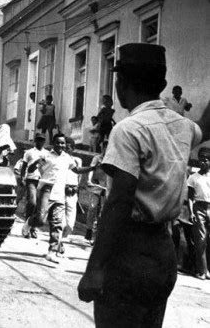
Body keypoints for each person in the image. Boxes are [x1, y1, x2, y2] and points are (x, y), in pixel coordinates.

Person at [77, 43, 204, 328]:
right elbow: (204, 127)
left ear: (123, 83)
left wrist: (95, 268)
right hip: (163, 253)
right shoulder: (183, 126)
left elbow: (119, 201)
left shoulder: (129, 129)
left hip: (129, 252)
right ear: (160, 84)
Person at [22, 133, 97, 263]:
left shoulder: (67, 158)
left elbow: (77, 170)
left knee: (57, 224)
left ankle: (51, 252)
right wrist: (35, 163)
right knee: (40, 220)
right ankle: (29, 222)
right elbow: (31, 169)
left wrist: (93, 168)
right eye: (58, 143)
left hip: (60, 194)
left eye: (63, 143)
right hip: (46, 190)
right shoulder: (46, 155)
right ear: (53, 143)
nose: (61, 145)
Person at [20, 133, 49, 239]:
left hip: (43, 180)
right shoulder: (29, 152)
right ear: (35, 141)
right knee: (32, 202)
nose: (40, 142)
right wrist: (22, 178)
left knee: (40, 206)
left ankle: (33, 228)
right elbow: (24, 166)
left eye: (42, 140)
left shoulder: (47, 153)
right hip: (31, 179)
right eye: (38, 140)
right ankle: (27, 224)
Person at [188, 147, 210, 280]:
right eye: (201, 160)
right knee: (200, 240)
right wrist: (191, 212)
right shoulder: (193, 177)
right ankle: (202, 271)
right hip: (199, 208)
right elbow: (190, 197)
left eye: (206, 160)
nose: (203, 162)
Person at [85, 140, 110, 244]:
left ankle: (97, 236)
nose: (106, 149)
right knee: (92, 207)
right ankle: (89, 230)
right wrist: (89, 180)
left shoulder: (112, 159)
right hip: (97, 185)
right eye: (104, 147)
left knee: (103, 212)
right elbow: (91, 169)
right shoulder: (97, 158)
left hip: (107, 187)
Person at [63, 137, 83, 242]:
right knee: (61, 222)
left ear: (73, 149)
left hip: (73, 192)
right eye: (64, 147)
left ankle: (61, 240)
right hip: (61, 190)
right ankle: (58, 242)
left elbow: (79, 175)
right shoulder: (60, 159)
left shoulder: (77, 160)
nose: (66, 150)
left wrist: (76, 187)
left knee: (70, 224)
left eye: (68, 148)